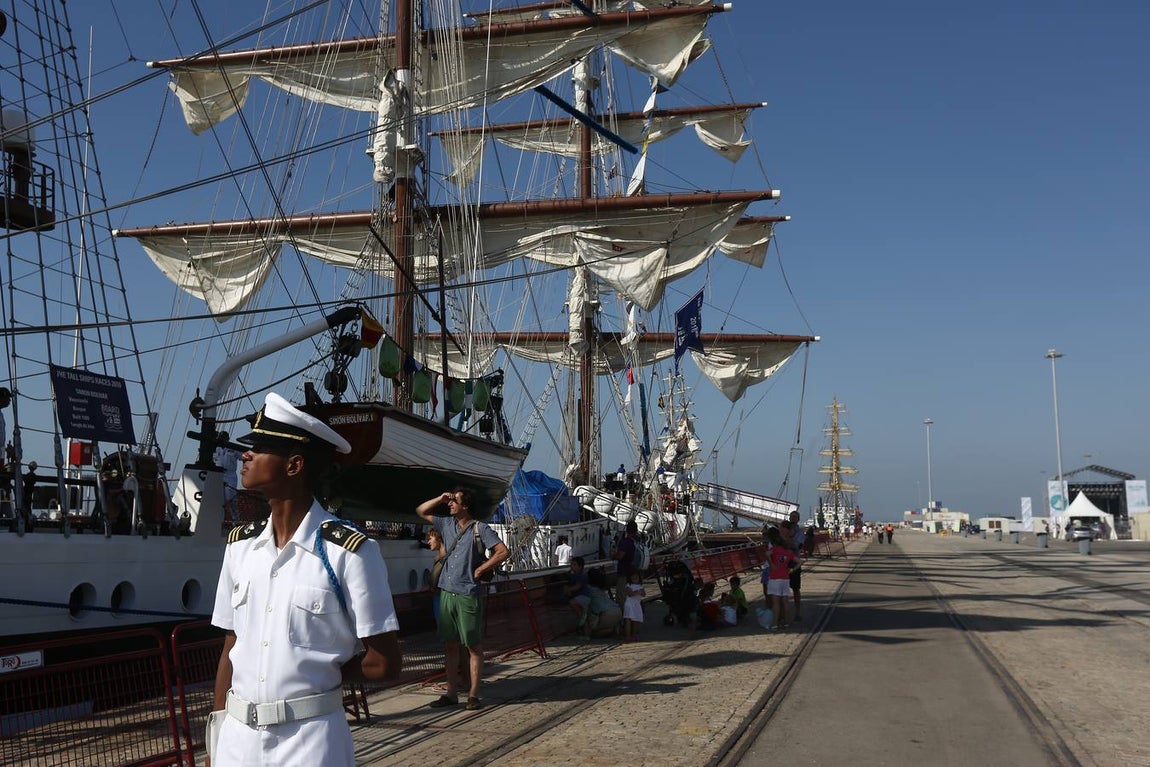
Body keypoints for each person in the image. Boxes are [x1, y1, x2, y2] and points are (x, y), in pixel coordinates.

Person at [209, 392, 401, 767]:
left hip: (310, 741)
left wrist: (319, 674)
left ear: (294, 465)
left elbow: (385, 662)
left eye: (260, 448)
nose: (245, 455)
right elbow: (231, 647)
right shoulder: (239, 548)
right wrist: (216, 735)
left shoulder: (349, 552)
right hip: (237, 740)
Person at [416, 487, 510, 711]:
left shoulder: (480, 528)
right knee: (450, 645)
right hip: (447, 592)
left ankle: (473, 695)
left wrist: (481, 569)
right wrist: (440, 497)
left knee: (473, 646)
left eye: (454, 501)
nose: (450, 504)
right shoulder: (445, 525)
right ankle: (451, 693)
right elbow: (420, 510)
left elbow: (502, 551)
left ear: (465, 505)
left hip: (468, 594)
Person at [765, 526, 799, 629]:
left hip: (775, 577)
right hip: (785, 577)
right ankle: (787, 622)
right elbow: (800, 561)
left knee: (776, 602)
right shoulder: (788, 552)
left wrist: (771, 563)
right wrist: (792, 570)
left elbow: (767, 554)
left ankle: (775, 623)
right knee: (785, 601)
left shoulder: (774, 549)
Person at [584, 568, 623, 638]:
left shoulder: (588, 589)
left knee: (593, 633)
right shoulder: (600, 588)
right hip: (617, 610)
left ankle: (610, 630)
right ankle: (613, 628)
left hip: (607, 614)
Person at [612, 520, 639, 608]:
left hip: (623, 571)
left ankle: (624, 614)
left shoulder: (625, 542)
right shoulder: (634, 542)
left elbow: (620, 556)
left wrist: (612, 555)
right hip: (632, 570)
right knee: (631, 592)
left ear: (627, 530)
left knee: (621, 594)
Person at [787, 511, 806, 622]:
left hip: (794, 561)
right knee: (783, 589)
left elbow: (797, 547)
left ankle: (797, 612)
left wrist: (788, 541)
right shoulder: (785, 531)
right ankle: (785, 612)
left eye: (795, 517)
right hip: (784, 561)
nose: (793, 519)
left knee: (795, 588)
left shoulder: (800, 533)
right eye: (791, 517)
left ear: (798, 519)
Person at [564, 556, 592, 629]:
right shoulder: (574, 575)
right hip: (581, 597)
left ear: (580, 566)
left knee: (572, 602)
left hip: (584, 597)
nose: (572, 566)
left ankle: (582, 615)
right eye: (571, 564)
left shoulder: (582, 575)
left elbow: (578, 586)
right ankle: (586, 634)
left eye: (574, 564)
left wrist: (569, 589)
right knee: (584, 619)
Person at [427, 529, 445, 626]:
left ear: (439, 539)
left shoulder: (446, 558)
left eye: (430, 539)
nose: (428, 542)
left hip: (443, 598)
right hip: (438, 596)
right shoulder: (438, 559)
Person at [622, 570, 645, 641]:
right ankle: (628, 636)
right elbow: (630, 594)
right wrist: (637, 592)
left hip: (637, 604)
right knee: (628, 619)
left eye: (636, 576)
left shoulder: (640, 586)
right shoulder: (629, 585)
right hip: (629, 604)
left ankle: (634, 635)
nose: (634, 577)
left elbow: (644, 594)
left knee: (636, 619)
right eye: (633, 576)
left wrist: (641, 592)